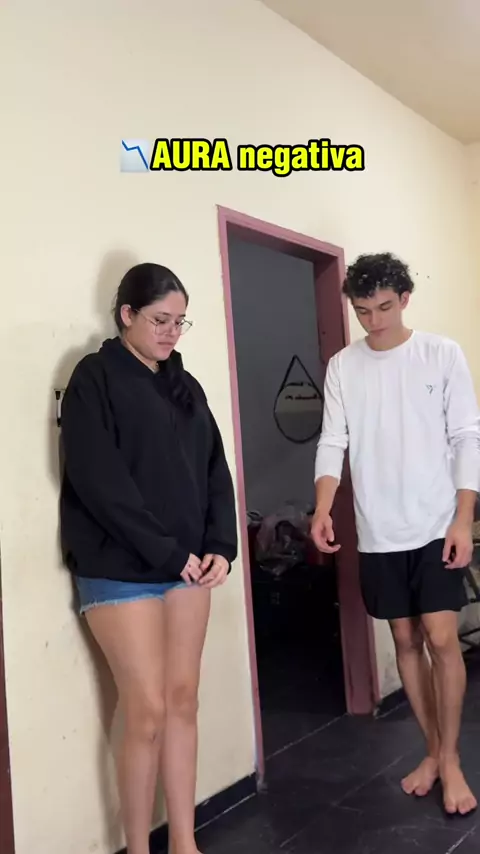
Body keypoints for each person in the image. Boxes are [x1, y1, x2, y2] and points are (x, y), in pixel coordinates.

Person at [60, 262, 238, 854]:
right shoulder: (94, 377)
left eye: (180, 322)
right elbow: (99, 482)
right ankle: (139, 847)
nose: (171, 333)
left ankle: (185, 842)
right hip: (120, 567)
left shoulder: (185, 386)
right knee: (147, 710)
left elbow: (214, 471)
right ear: (127, 315)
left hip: (189, 567)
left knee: (183, 701)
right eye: (160, 320)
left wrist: (221, 546)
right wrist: (168, 551)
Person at [311, 252, 480, 816]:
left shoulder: (441, 354)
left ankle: (450, 760)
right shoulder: (343, 366)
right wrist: (322, 507)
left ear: (405, 299)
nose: (374, 320)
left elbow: (467, 437)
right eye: (363, 311)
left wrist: (462, 518)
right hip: (379, 529)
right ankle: (432, 752)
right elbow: (333, 440)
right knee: (405, 641)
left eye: (384, 307)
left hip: (436, 523)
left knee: (441, 638)